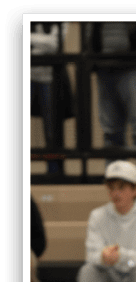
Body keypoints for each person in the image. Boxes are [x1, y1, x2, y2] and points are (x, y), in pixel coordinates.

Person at [87, 22, 136, 176]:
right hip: (104, 64)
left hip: (135, 63)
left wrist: (134, 42)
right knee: (111, 131)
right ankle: (116, 177)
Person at [30, 20, 72, 174]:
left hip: (51, 78)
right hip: (27, 75)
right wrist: (43, 45)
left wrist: (30, 41)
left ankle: (54, 172)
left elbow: (55, 44)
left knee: (52, 129)